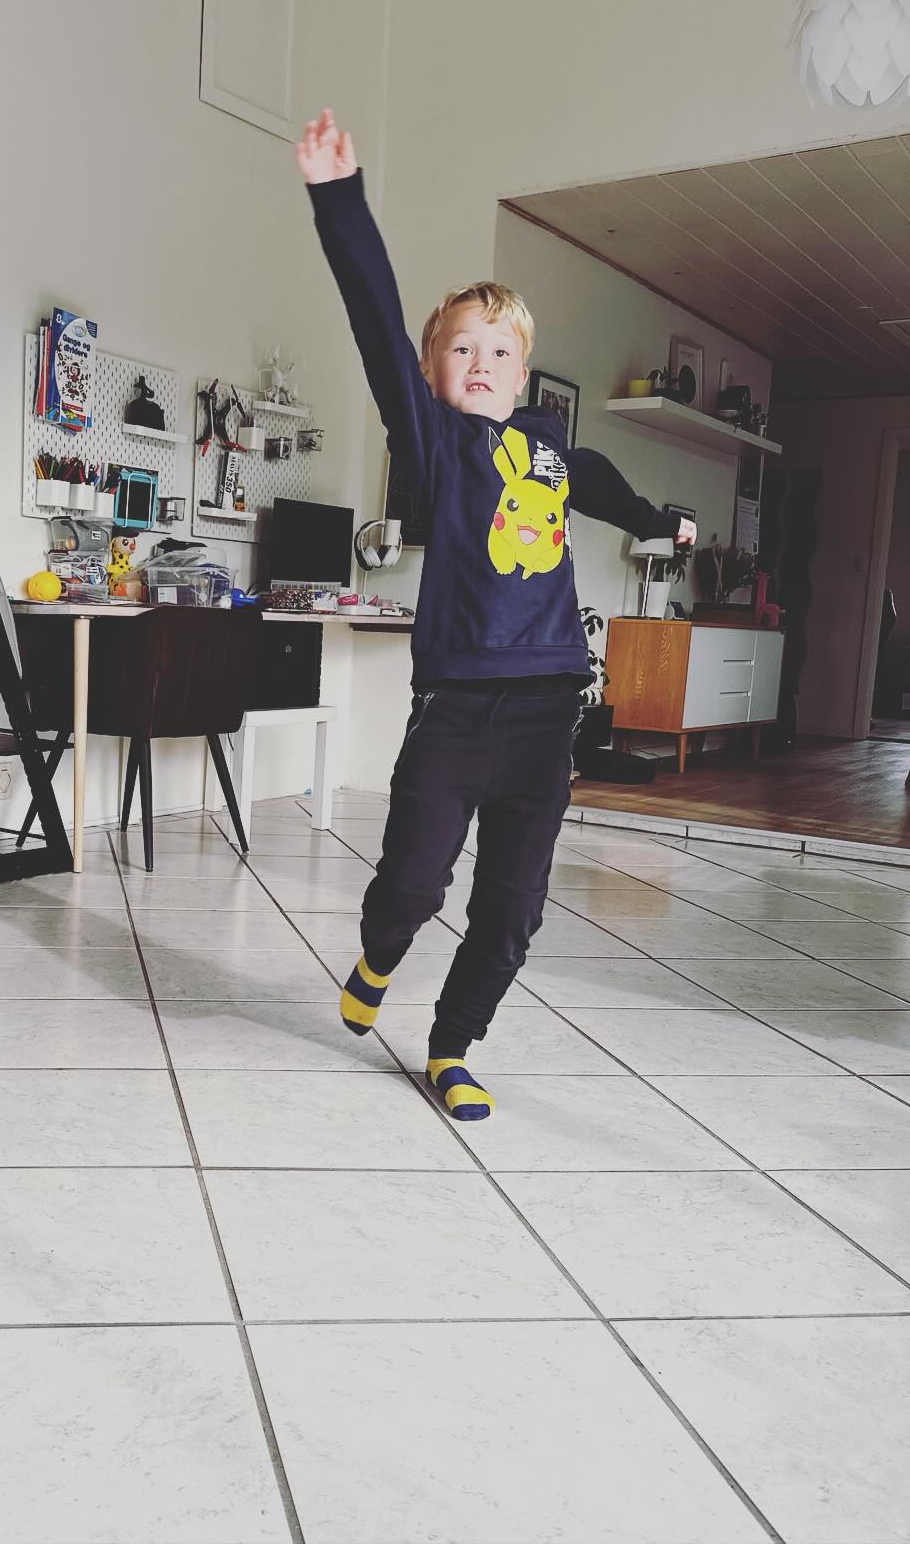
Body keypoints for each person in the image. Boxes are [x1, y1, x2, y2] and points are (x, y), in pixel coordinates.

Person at [297, 110, 694, 1121]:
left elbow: (603, 484)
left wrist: (663, 523)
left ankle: (451, 1046)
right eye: (459, 349)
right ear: (434, 371)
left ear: (523, 372)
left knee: (514, 909)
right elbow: (375, 323)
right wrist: (340, 199)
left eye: (499, 350)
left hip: (548, 708)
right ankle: (378, 959)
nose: (479, 361)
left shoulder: (552, 448)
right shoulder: (434, 445)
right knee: (411, 888)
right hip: (457, 709)